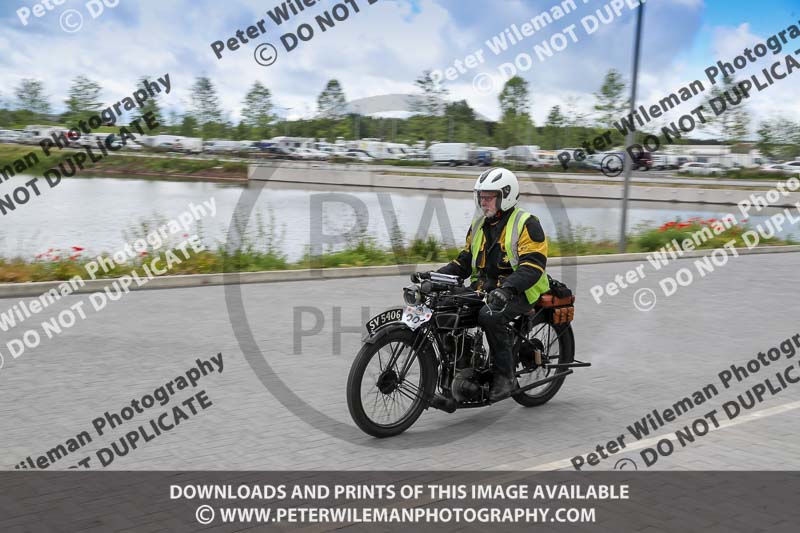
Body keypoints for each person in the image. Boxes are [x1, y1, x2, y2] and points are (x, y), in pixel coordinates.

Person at [435, 167, 550, 400]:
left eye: (489, 197)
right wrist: (435, 278)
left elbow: (533, 265)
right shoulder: (479, 225)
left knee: (490, 316)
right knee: (445, 306)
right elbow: (464, 262)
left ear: (505, 196)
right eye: (481, 197)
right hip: (486, 288)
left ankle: (505, 377)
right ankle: (461, 366)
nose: (483, 202)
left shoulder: (526, 223)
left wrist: (507, 290)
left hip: (522, 289)